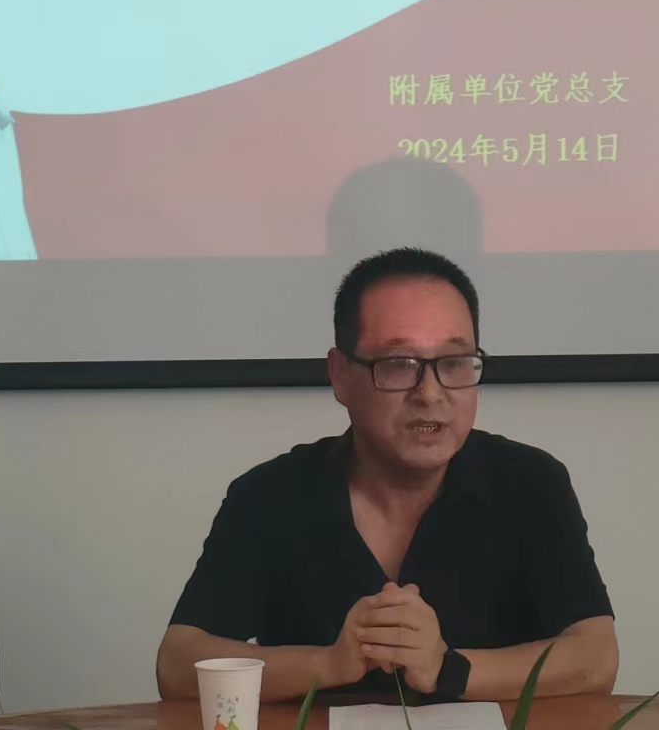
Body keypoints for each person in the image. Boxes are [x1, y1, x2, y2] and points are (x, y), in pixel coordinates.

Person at [156, 247, 618, 703]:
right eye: (399, 365)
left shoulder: (531, 483)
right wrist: (329, 664)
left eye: (454, 363)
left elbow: (595, 657)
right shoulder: (270, 495)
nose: (430, 394)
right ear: (341, 375)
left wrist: (447, 669)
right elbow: (177, 665)